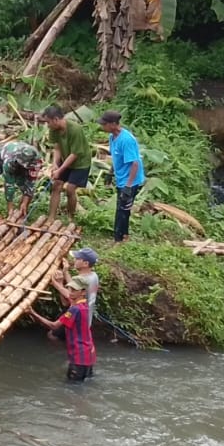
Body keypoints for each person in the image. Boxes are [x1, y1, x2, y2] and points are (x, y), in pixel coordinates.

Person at [30, 279, 95, 381]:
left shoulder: (74, 309)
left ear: (83, 292)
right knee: (84, 384)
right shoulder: (84, 305)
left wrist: (32, 312)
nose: (70, 292)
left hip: (79, 358)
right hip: (88, 356)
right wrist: (57, 283)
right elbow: (67, 298)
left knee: (73, 387)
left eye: (74, 290)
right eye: (70, 289)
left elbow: (53, 326)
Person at [99, 111, 144, 242]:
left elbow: (135, 163)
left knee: (122, 209)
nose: (102, 126)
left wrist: (128, 186)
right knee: (123, 208)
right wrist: (110, 172)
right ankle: (124, 235)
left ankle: (118, 239)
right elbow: (116, 157)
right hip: (121, 177)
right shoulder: (112, 137)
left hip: (130, 179)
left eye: (105, 124)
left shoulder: (126, 140)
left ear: (113, 124)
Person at [44, 106, 93, 224]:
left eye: (48, 122)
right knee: (56, 185)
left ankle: (71, 217)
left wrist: (60, 170)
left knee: (70, 189)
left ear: (56, 119)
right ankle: (51, 217)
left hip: (80, 162)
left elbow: (74, 154)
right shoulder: (54, 129)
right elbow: (57, 147)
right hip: (65, 158)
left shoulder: (75, 129)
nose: (47, 125)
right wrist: (55, 164)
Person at [0, 140, 45, 225]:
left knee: (25, 186)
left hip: (20, 164)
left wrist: (25, 203)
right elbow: (9, 184)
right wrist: (10, 209)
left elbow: (31, 183)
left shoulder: (37, 162)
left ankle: (22, 212)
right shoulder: (10, 160)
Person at [67, 247, 100, 323]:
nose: (74, 260)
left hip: (78, 321)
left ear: (86, 263)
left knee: (53, 329)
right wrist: (66, 272)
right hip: (86, 319)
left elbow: (69, 294)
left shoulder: (83, 279)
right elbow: (74, 285)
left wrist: (57, 284)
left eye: (77, 259)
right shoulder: (94, 276)